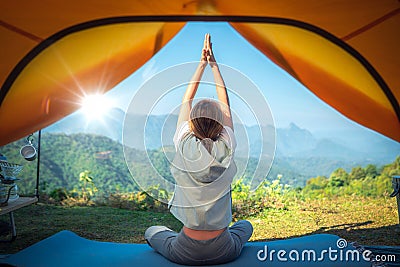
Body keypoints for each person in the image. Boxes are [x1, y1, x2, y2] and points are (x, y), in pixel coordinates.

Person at [145, 34, 253, 265]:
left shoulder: (184, 142)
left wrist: (201, 65)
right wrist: (214, 66)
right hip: (224, 248)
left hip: (185, 250)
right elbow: (225, 104)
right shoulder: (226, 145)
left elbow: (187, 100)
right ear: (220, 124)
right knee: (245, 227)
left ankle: (170, 238)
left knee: (152, 231)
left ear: (191, 123)